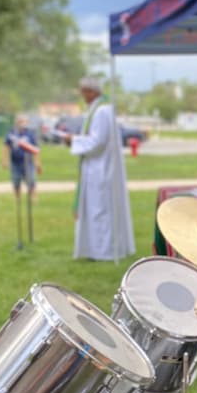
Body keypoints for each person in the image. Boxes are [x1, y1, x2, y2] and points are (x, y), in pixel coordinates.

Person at [60, 76, 135, 261]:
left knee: (100, 211)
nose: (82, 96)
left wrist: (73, 140)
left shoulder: (102, 111)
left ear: (91, 92)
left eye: (84, 92)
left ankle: (104, 251)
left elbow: (97, 141)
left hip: (101, 168)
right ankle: (95, 249)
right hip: (97, 167)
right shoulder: (101, 109)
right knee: (97, 209)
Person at [3, 115, 41, 198]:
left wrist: (37, 162)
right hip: (15, 162)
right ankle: (17, 198)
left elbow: (36, 149)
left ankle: (33, 197)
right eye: (20, 121)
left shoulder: (30, 134)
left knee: (31, 181)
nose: (22, 124)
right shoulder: (11, 133)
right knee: (16, 181)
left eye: (24, 122)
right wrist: (5, 160)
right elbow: (6, 146)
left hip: (28, 162)